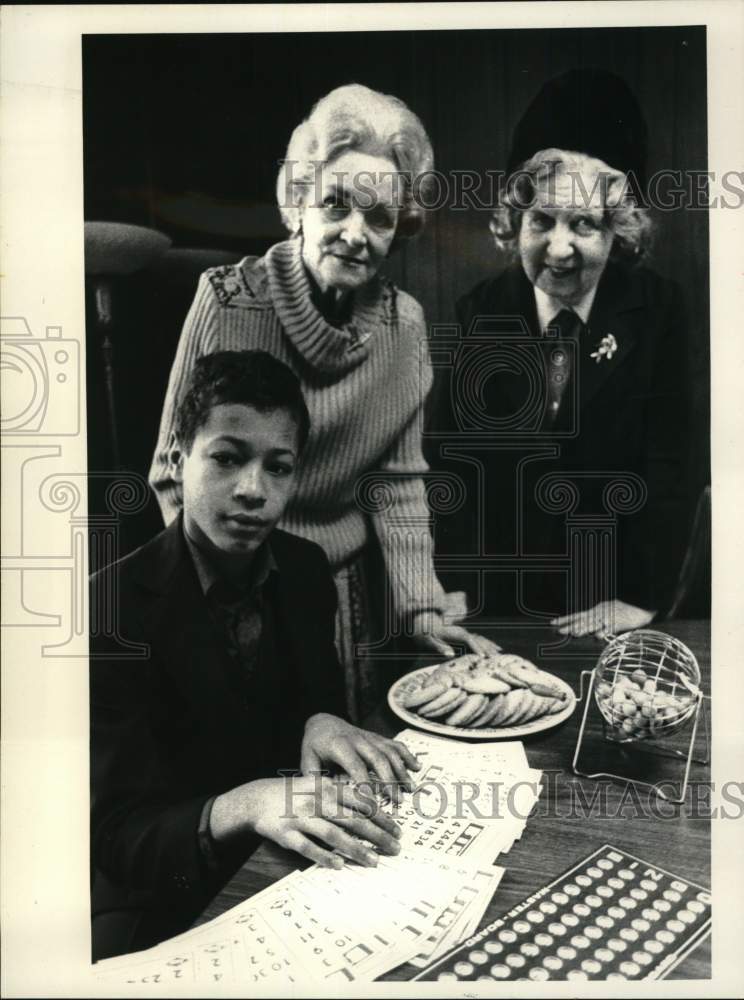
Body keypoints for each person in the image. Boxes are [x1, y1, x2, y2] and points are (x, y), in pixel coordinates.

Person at [149, 83, 498, 721]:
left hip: (344, 596)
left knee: (349, 779)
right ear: (298, 204)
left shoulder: (406, 327)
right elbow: (175, 471)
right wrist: (220, 604)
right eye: (335, 205)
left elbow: (398, 486)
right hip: (230, 584)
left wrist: (422, 606)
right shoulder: (227, 301)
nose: (355, 234)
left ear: (401, 230)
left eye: (380, 218)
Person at [91, 350, 421, 961]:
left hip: (278, 862)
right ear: (176, 460)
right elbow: (112, 837)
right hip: (160, 891)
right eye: (226, 458)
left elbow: (315, 717)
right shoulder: (107, 608)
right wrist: (246, 802)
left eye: (279, 467)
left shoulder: (304, 568)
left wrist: (324, 718)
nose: (253, 490)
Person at [446, 69, 692, 637]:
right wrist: (453, 586)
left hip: (612, 601)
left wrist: (641, 598)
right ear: (514, 222)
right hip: (498, 602)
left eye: (584, 223)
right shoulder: (479, 311)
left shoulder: (658, 311)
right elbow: (453, 462)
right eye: (542, 221)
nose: (560, 249)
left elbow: (670, 464)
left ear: (619, 231)